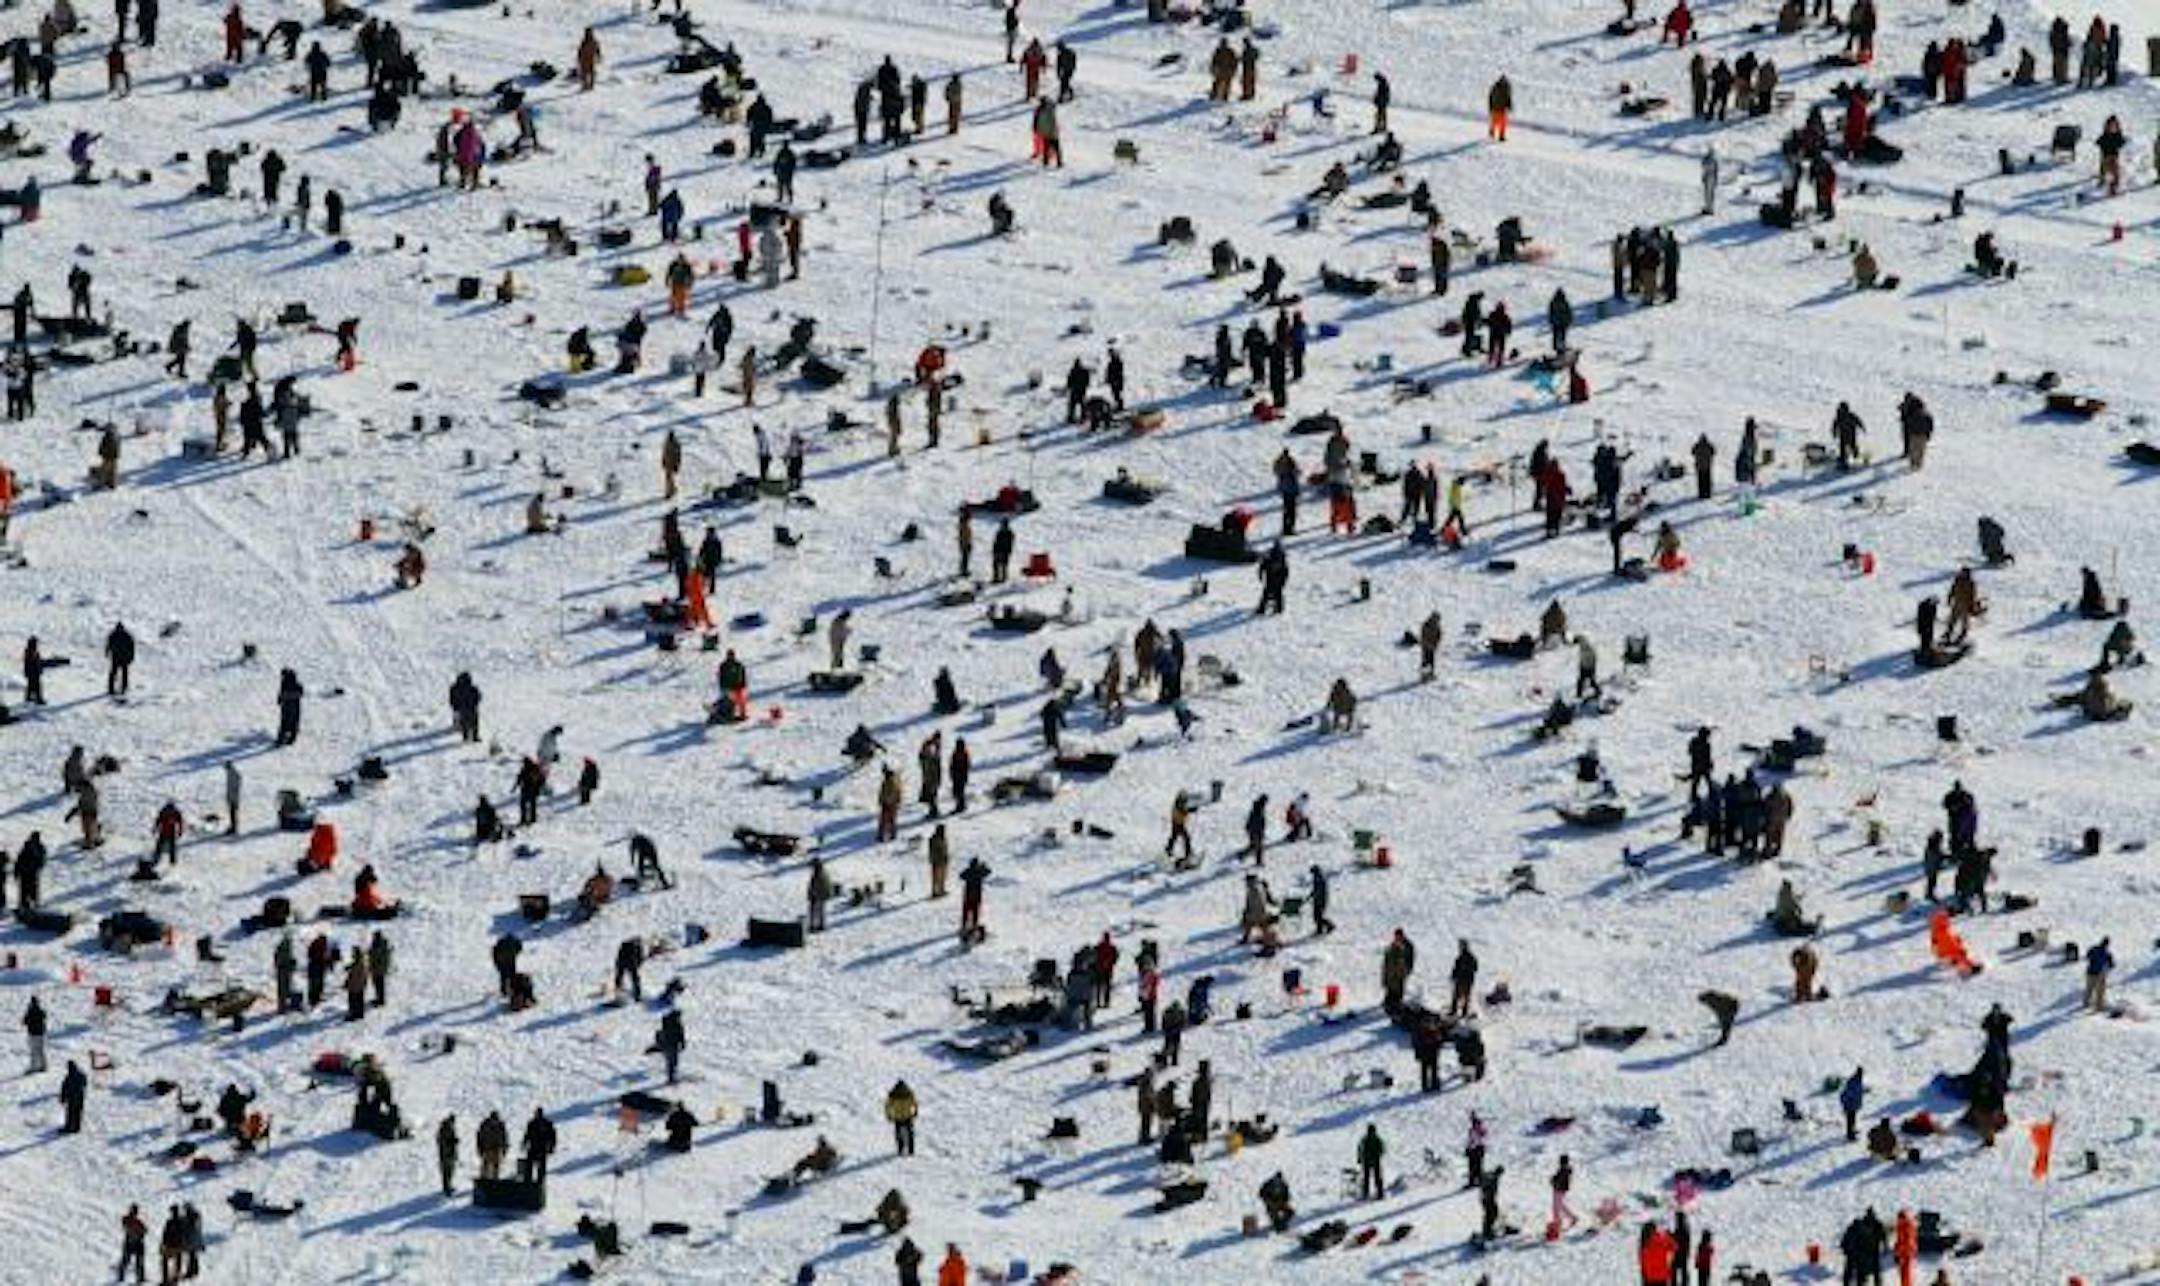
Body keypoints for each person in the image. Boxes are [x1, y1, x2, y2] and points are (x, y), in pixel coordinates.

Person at [885, 1080, 917, 1156]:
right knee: (910, 1134)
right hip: (907, 1116)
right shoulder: (909, 1094)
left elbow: (887, 1106)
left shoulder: (893, 1095)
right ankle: (910, 1150)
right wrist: (915, 1112)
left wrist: (889, 1115)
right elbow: (915, 1104)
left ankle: (901, 1149)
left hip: (898, 1117)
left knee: (899, 1134)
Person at [1357, 1123, 1385, 1199]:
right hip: (1375, 1160)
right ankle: (1380, 1193)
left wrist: (1359, 1158)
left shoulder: (1365, 1139)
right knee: (1377, 1177)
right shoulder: (1377, 1139)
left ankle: (1366, 1193)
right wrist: (1378, 1155)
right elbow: (1382, 1149)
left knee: (1367, 1177)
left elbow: (1360, 1148)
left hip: (1367, 1160)